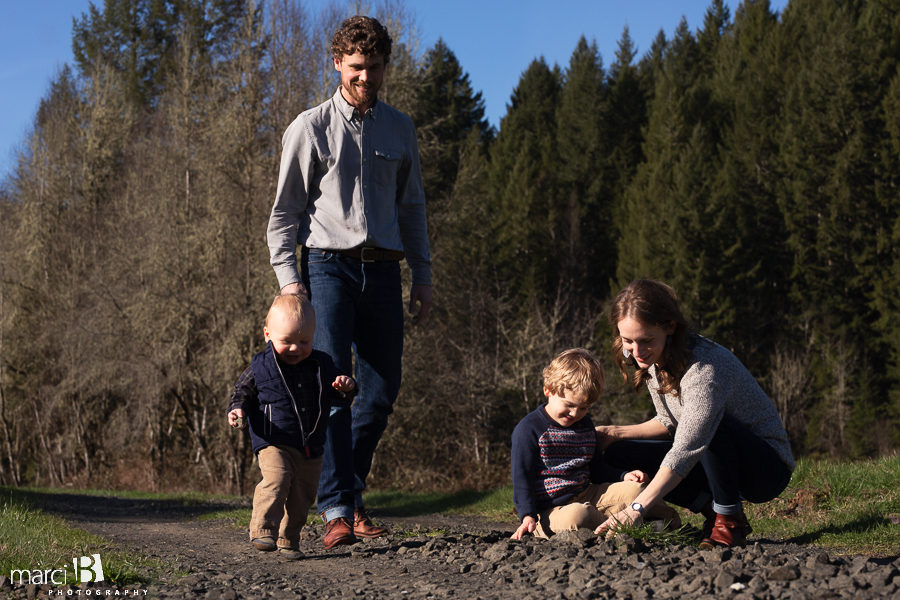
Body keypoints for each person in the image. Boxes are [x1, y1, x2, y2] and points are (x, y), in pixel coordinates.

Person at [266, 15, 433, 549]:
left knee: (381, 392)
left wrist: (422, 276)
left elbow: (412, 208)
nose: (365, 77)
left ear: (386, 67)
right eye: (356, 67)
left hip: (384, 269)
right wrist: (291, 284)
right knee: (335, 389)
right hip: (327, 269)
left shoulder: (400, 129)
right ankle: (338, 508)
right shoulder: (309, 127)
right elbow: (284, 216)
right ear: (337, 62)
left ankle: (348, 488)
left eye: (375, 68)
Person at [595, 279, 794, 548]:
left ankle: (729, 521)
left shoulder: (704, 370)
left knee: (711, 426)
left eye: (645, 341)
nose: (636, 352)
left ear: (670, 328)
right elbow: (670, 422)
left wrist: (635, 509)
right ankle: (711, 510)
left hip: (765, 470)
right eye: (627, 340)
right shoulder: (655, 357)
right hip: (710, 455)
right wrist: (614, 433)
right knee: (619, 453)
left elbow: (688, 445)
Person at [227, 294, 357, 560]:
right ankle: (262, 529)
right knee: (277, 478)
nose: (295, 348)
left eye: (304, 342)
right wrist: (236, 408)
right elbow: (241, 392)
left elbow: (336, 396)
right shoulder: (260, 366)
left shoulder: (322, 365)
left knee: (303, 495)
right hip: (273, 438)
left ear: (313, 336)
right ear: (267, 335)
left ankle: (289, 538)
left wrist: (346, 388)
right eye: (286, 341)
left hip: (310, 443)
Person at [510, 348, 681, 540]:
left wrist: (624, 476)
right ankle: (634, 528)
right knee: (579, 516)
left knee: (637, 491)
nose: (575, 414)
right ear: (548, 390)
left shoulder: (584, 425)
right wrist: (527, 515)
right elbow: (521, 479)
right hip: (551, 509)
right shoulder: (529, 429)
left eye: (583, 408)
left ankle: (669, 524)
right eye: (569, 405)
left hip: (588, 494)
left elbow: (597, 469)